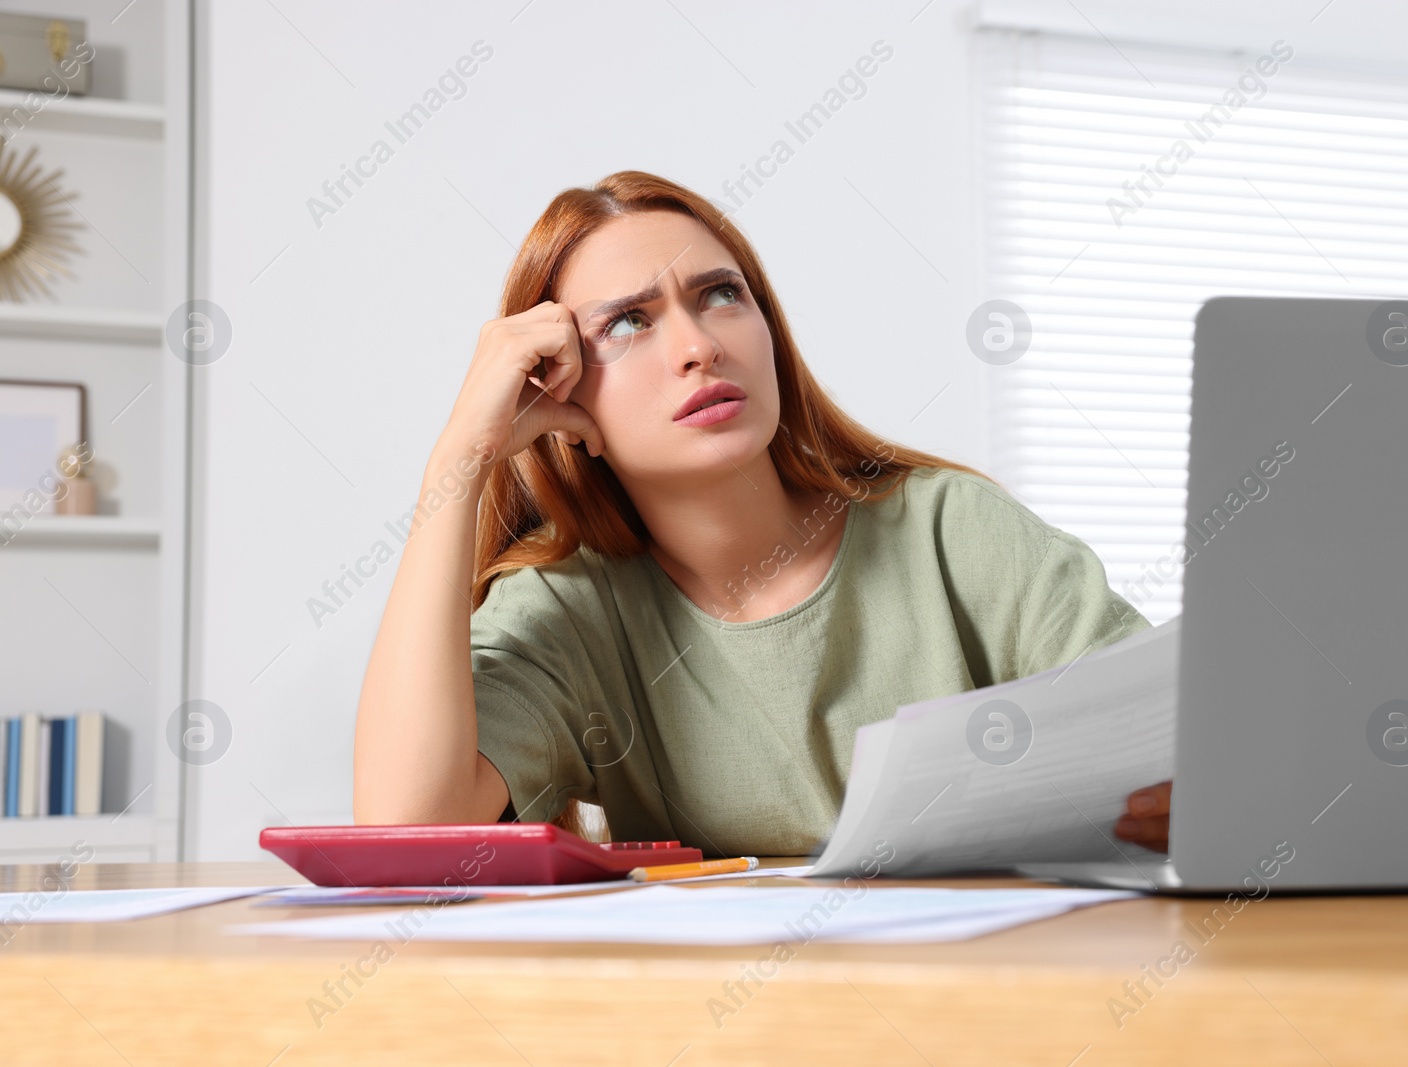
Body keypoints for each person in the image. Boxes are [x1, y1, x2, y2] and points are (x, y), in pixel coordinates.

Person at [352, 170, 1171, 857]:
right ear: (558, 391)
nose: (699, 345)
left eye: (719, 295)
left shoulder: (952, 530)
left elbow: (1172, 747)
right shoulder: (569, 611)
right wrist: (459, 460)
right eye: (629, 322)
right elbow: (405, 828)